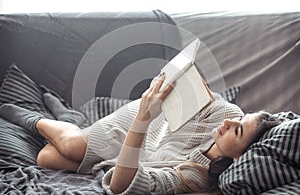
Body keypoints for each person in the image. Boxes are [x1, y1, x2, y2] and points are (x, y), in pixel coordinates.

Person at [0, 74, 283, 194]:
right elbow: (199, 93)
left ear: (238, 158)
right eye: (241, 117)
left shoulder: (197, 174)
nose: (231, 120)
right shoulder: (225, 113)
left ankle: (68, 118)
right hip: (149, 124)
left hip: (139, 137)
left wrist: (143, 121)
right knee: (71, 145)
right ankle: (34, 119)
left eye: (239, 129)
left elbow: (123, 186)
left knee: (46, 158)